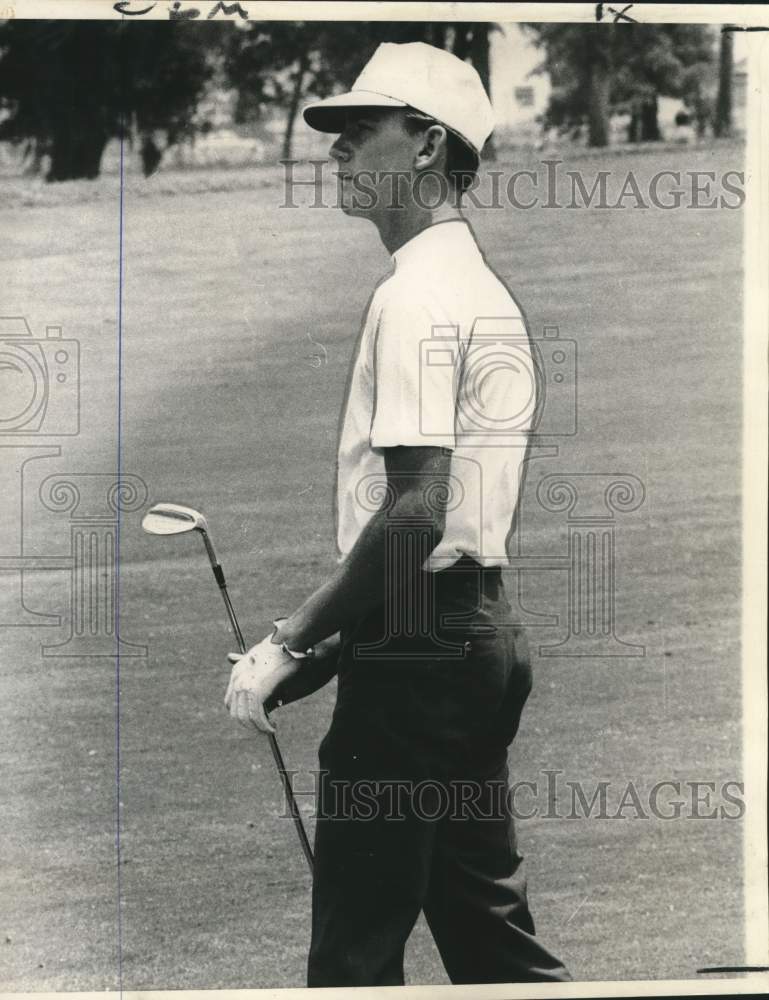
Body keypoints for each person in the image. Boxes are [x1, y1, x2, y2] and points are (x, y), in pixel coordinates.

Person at [224, 41, 571, 988]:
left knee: (355, 950)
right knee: (489, 934)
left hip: (424, 657)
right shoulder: (473, 285)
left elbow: (418, 508)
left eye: (358, 130)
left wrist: (290, 642)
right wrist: (342, 650)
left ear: (426, 147)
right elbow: (451, 540)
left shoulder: (417, 294)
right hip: (470, 639)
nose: (335, 150)